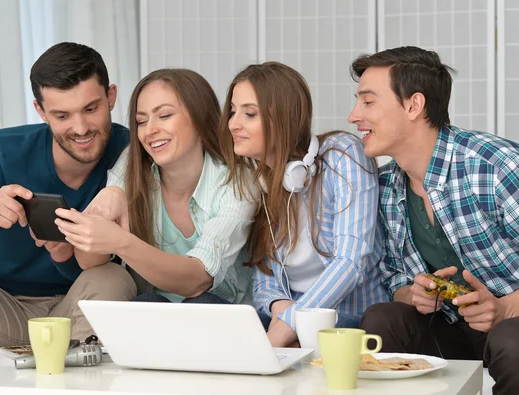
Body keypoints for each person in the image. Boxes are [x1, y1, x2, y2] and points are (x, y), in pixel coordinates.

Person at [0, 42, 136, 395]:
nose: (80, 128)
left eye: (91, 109)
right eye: (62, 115)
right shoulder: (0, 151)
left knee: (111, 277)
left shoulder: (132, 155)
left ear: (111, 97)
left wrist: (63, 255)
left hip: (76, 304)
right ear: (40, 110)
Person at [349, 46, 519, 395]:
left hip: (512, 329)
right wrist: (415, 295)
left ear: (414, 105)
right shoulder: (385, 187)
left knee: (512, 340)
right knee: (383, 318)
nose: (353, 116)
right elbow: (394, 276)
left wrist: (504, 309)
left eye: (368, 102)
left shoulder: (496, 167)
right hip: (452, 331)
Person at [217, 61, 388, 347]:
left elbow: (350, 261)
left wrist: (291, 323)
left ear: (283, 117)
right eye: (233, 112)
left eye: (249, 114)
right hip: (290, 320)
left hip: (346, 320)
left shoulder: (342, 155)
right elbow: (266, 277)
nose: (234, 123)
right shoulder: (259, 180)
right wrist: (282, 310)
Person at [54, 69, 255, 304]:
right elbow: (88, 261)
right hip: (154, 306)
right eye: (141, 121)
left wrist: (120, 241)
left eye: (165, 115)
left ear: (200, 117)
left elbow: (198, 280)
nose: (149, 131)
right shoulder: (134, 161)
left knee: (202, 303)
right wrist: (112, 193)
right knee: (146, 301)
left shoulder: (239, 182)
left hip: (223, 311)